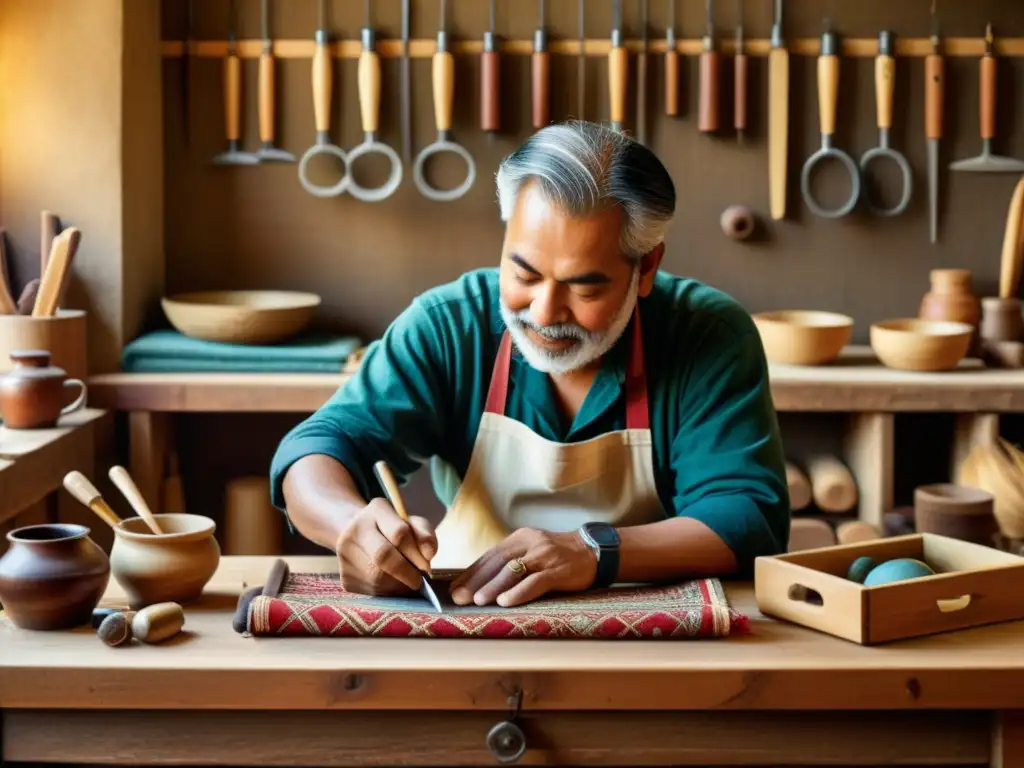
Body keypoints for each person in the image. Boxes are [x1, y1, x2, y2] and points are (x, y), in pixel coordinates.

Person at [270, 120, 790, 608]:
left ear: (646, 266)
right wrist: (352, 526)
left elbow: (746, 516)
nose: (544, 313)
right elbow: (315, 450)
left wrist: (593, 551)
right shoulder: (452, 325)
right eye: (523, 274)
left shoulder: (706, 335)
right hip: (468, 623)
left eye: (584, 286)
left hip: (650, 636)